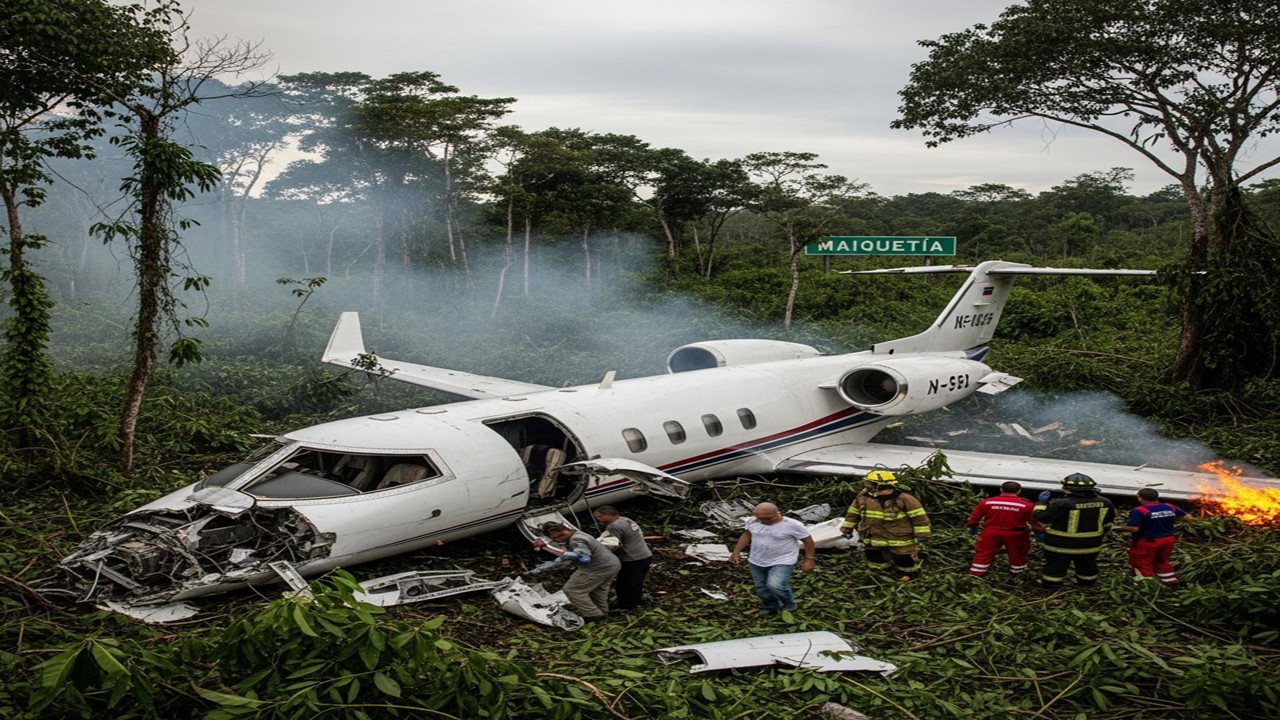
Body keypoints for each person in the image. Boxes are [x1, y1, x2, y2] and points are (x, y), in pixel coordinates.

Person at [840, 470, 931, 578]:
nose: (866, 485)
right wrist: (847, 528)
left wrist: (922, 534)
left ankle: (908, 574)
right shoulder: (862, 498)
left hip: (898, 537)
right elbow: (852, 514)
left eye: (869, 483)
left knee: (903, 557)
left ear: (878, 485)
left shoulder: (904, 498)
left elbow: (919, 517)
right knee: (874, 556)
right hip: (872, 535)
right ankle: (880, 573)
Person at [728, 502, 815, 614]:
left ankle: (789, 604)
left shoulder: (793, 525)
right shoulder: (753, 521)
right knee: (761, 587)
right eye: (758, 517)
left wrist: (809, 559)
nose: (760, 520)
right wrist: (736, 552)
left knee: (775, 584)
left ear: (775, 514)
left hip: (783, 559)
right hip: (757, 559)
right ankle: (770, 605)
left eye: (764, 518)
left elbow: (808, 541)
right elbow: (747, 535)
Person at [1033, 473, 1117, 587]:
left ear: (1068, 489)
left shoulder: (1062, 503)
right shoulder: (1106, 502)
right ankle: (1087, 584)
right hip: (1090, 545)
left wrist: (1041, 503)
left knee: (1055, 566)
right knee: (1087, 565)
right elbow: (1108, 524)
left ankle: (1051, 585)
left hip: (1060, 545)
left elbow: (1042, 517)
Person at [528, 521, 621, 622]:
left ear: (563, 532)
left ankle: (593, 615)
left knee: (572, 590)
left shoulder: (576, 540)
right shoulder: (576, 533)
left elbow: (584, 558)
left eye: (555, 538)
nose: (556, 541)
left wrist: (555, 552)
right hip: (612, 564)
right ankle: (602, 611)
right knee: (598, 590)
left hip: (597, 568)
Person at [965, 481, 1041, 577]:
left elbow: (974, 518)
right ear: (1019, 491)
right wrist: (1039, 533)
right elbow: (1033, 521)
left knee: (984, 553)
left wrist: (972, 527)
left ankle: (975, 574)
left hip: (990, 532)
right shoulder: (1026, 505)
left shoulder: (987, 502)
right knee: (1018, 553)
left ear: (1001, 489)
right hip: (1016, 534)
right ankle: (1017, 574)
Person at [1119, 488, 1187, 585]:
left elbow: (1134, 529)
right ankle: (1171, 582)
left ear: (1140, 498)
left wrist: (1118, 528)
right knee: (1162, 560)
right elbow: (1186, 517)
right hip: (1168, 540)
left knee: (1142, 562)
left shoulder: (1139, 511)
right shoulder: (1170, 506)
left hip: (1148, 541)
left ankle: (1147, 585)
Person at [591, 506, 653, 610]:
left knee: (625, 584)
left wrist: (598, 555)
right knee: (636, 581)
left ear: (604, 516)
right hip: (645, 555)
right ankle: (636, 600)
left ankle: (626, 606)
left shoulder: (613, 527)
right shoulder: (626, 520)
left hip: (632, 558)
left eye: (598, 517)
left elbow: (614, 544)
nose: (597, 520)